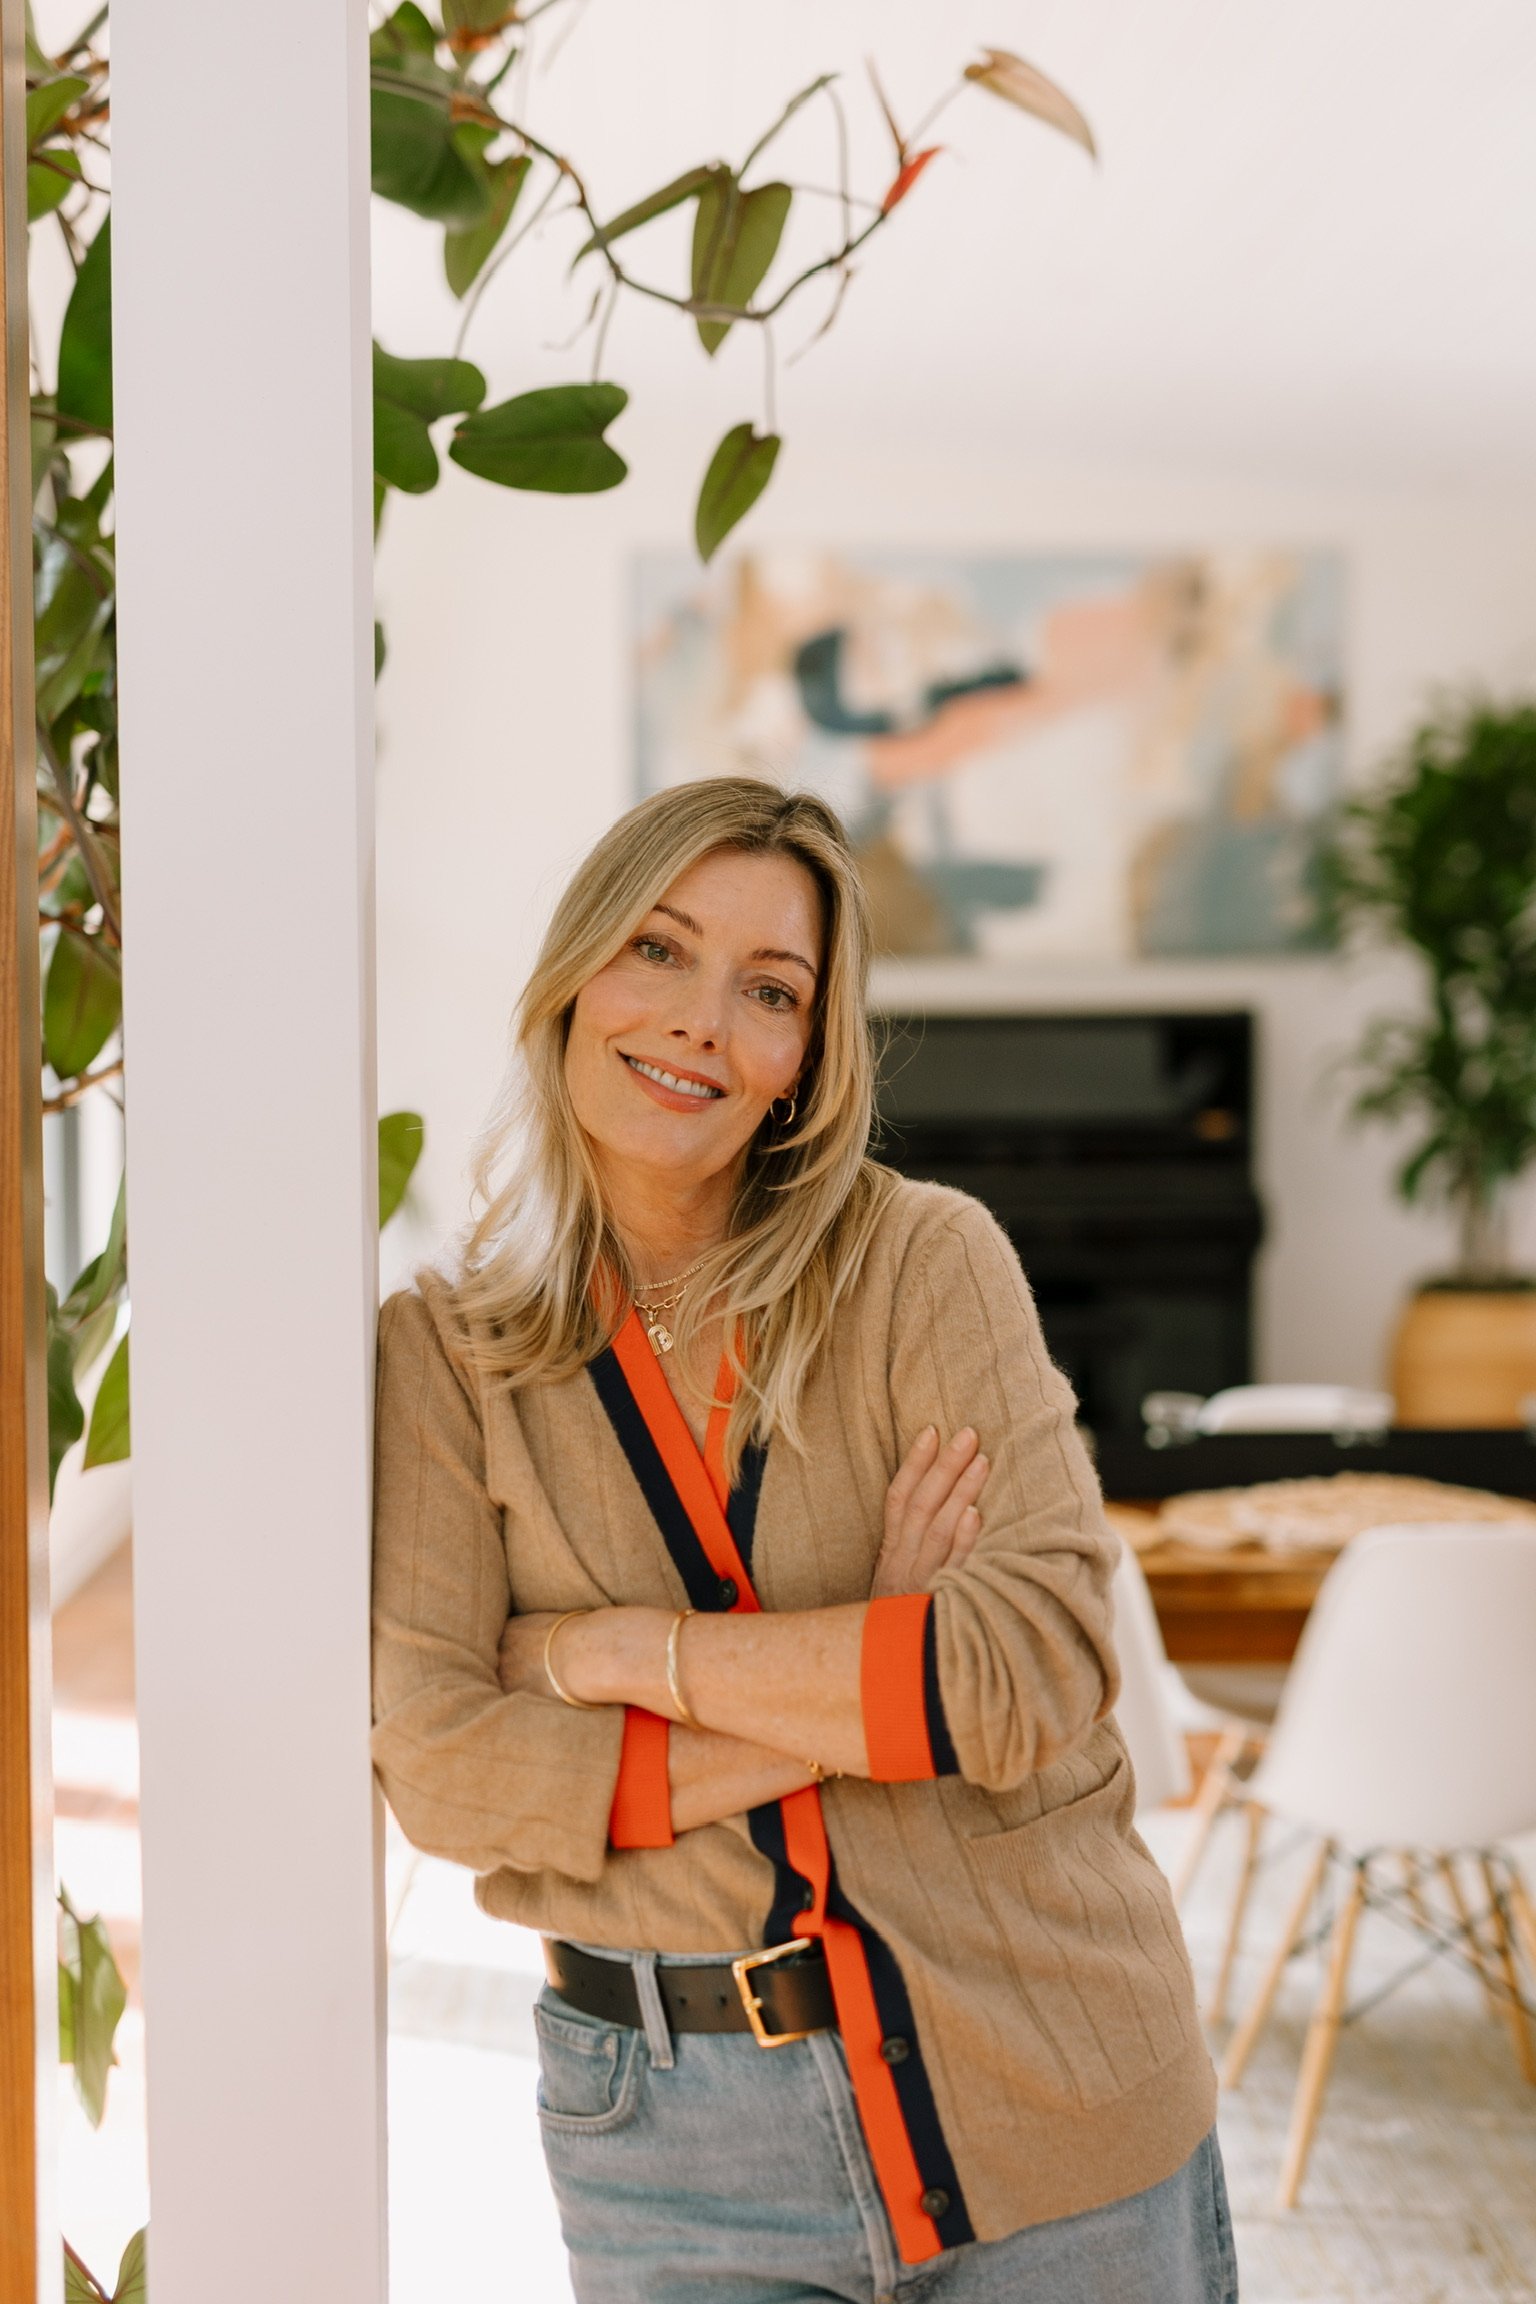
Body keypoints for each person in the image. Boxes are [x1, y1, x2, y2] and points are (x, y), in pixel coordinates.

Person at [371, 777, 1235, 2303]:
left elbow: (1032, 1669)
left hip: (1051, 2087)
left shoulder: (926, 1261)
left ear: (802, 1063)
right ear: (574, 979)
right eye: (658, 950)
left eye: (769, 991)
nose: (702, 1022)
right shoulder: (444, 1357)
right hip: (672, 2146)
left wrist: (610, 1656)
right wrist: (870, 1679)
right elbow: (443, 1764)